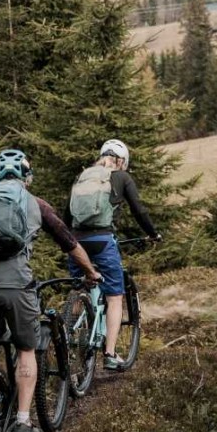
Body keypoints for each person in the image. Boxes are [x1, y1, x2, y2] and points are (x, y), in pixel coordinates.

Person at [0, 148, 101, 432]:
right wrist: (90, 272)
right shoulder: (36, 203)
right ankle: (23, 420)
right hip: (16, 285)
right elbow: (69, 243)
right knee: (26, 349)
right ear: (26, 177)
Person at [67, 138, 160, 371]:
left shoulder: (83, 176)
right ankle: (109, 353)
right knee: (114, 297)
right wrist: (153, 234)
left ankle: (68, 337)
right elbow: (139, 210)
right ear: (121, 161)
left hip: (75, 242)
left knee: (79, 288)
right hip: (102, 240)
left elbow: (66, 214)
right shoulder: (121, 176)